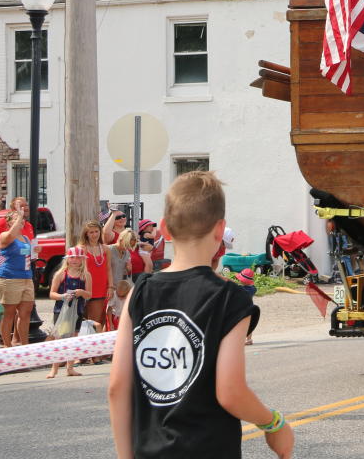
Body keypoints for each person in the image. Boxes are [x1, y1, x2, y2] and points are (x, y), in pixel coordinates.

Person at [109, 171, 294, 459]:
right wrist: (274, 424)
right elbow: (230, 391)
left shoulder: (140, 291)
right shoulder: (229, 298)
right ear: (220, 231)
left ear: (164, 229)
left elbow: (118, 386)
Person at [46, 246, 92, 378]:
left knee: (73, 338)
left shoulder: (86, 275)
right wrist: (62, 296)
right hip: (62, 311)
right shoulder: (61, 274)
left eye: (78, 257)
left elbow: (89, 294)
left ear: (83, 259)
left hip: (77, 310)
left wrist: (82, 292)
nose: (75, 260)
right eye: (72, 257)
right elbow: (52, 294)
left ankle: (70, 368)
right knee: (59, 338)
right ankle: (54, 369)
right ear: (67, 259)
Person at [0, 197, 36, 347]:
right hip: (10, 278)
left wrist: (36, 251)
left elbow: (27, 255)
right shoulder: (4, 236)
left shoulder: (26, 238)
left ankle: (24, 345)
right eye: (15, 219)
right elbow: (10, 236)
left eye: (20, 219)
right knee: (9, 313)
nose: (19, 220)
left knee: (25, 313)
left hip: (26, 277)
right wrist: (19, 214)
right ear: (9, 223)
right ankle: (8, 347)